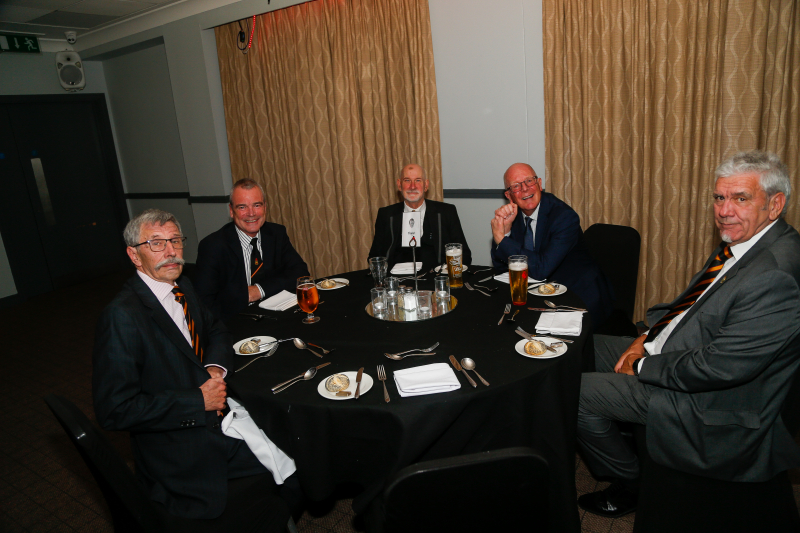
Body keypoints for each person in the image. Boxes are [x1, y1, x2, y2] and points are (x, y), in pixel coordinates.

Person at [577, 150, 800, 518]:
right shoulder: (745, 243)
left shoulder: (775, 274)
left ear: (775, 205)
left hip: (705, 400)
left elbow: (720, 367)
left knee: (575, 393)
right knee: (578, 347)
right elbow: (689, 307)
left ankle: (630, 481)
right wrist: (645, 337)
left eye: (740, 198)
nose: (724, 210)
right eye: (719, 197)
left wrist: (642, 365)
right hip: (674, 352)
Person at [92, 209, 296, 530]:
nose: (171, 251)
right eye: (156, 243)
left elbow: (215, 330)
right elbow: (114, 410)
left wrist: (214, 367)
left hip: (218, 414)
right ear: (134, 255)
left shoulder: (182, 285)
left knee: (292, 435)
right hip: (180, 450)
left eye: (175, 240)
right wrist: (197, 401)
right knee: (292, 457)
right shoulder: (122, 317)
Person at [490, 163, 614, 328]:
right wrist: (505, 232)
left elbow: (542, 269)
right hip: (541, 297)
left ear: (539, 184)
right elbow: (500, 266)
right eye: (516, 186)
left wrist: (502, 239)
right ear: (509, 195)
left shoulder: (564, 217)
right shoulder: (514, 216)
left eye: (529, 181)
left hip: (578, 298)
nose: (525, 189)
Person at [194, 179, 309, 320]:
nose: (251, 213)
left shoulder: (276, 234)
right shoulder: (213, 246)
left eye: (257, 205)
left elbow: (301, 273)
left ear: (265, 207)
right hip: (236, 320)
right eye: (242, 207)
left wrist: (259, 290)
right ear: (231, 211)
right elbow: (204, 301)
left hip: (277, 316)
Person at [368, 164, 472, 271]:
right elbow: (374, 258)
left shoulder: (446, 212)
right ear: (399, 185)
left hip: (436, 278)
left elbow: (464, 255)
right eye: (407, 180)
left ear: (426, 185)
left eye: (418, 180)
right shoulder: (386, 215)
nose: (412, 186)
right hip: (397, 279)